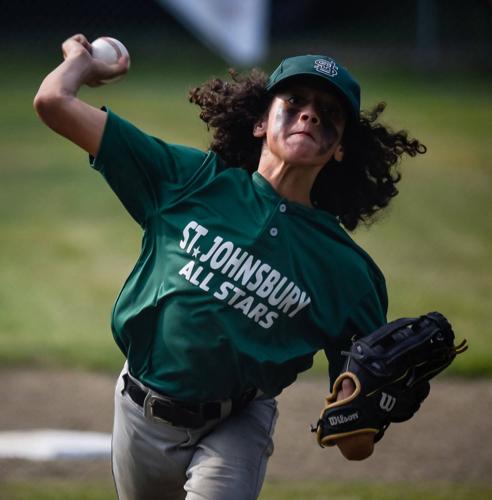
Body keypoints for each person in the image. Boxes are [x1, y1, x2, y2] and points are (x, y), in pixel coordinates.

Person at [34, 34, 426, 500]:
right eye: (295, 101)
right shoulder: (188, 180)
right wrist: (79, 62)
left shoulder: (349, 274)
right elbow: (53, 101)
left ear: (341, 146)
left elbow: (354, 446)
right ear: (261, 122)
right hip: (138, 411)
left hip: (237, 423)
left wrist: (377, 404)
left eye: (329, 112)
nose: (310, 113)